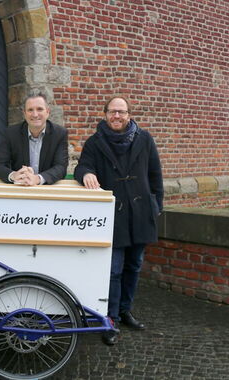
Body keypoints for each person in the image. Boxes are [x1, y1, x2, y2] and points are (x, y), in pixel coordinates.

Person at [74, 95, 163, 346]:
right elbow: (82, 167)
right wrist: (87, 173)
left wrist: (156, 206)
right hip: (113, 216)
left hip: (141, 214)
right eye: (112, 112)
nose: (117, 116)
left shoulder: (144, 139)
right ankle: (110, 317)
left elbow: (155, 174)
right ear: (105, 114)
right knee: (113, 270)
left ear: (129, 114)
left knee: (134, 266)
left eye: (121, 112)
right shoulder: (95, 142)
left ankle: (125, 310)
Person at [0, 92, 68, 185]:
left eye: (40, 109)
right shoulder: (10, 133)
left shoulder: (59, 134)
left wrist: (38, 179)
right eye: (30, 110)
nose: (35, 114)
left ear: (48, 112)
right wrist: (14, 175)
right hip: (19, 188)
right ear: (24, 113)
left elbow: (61, 167)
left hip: (46, 189)